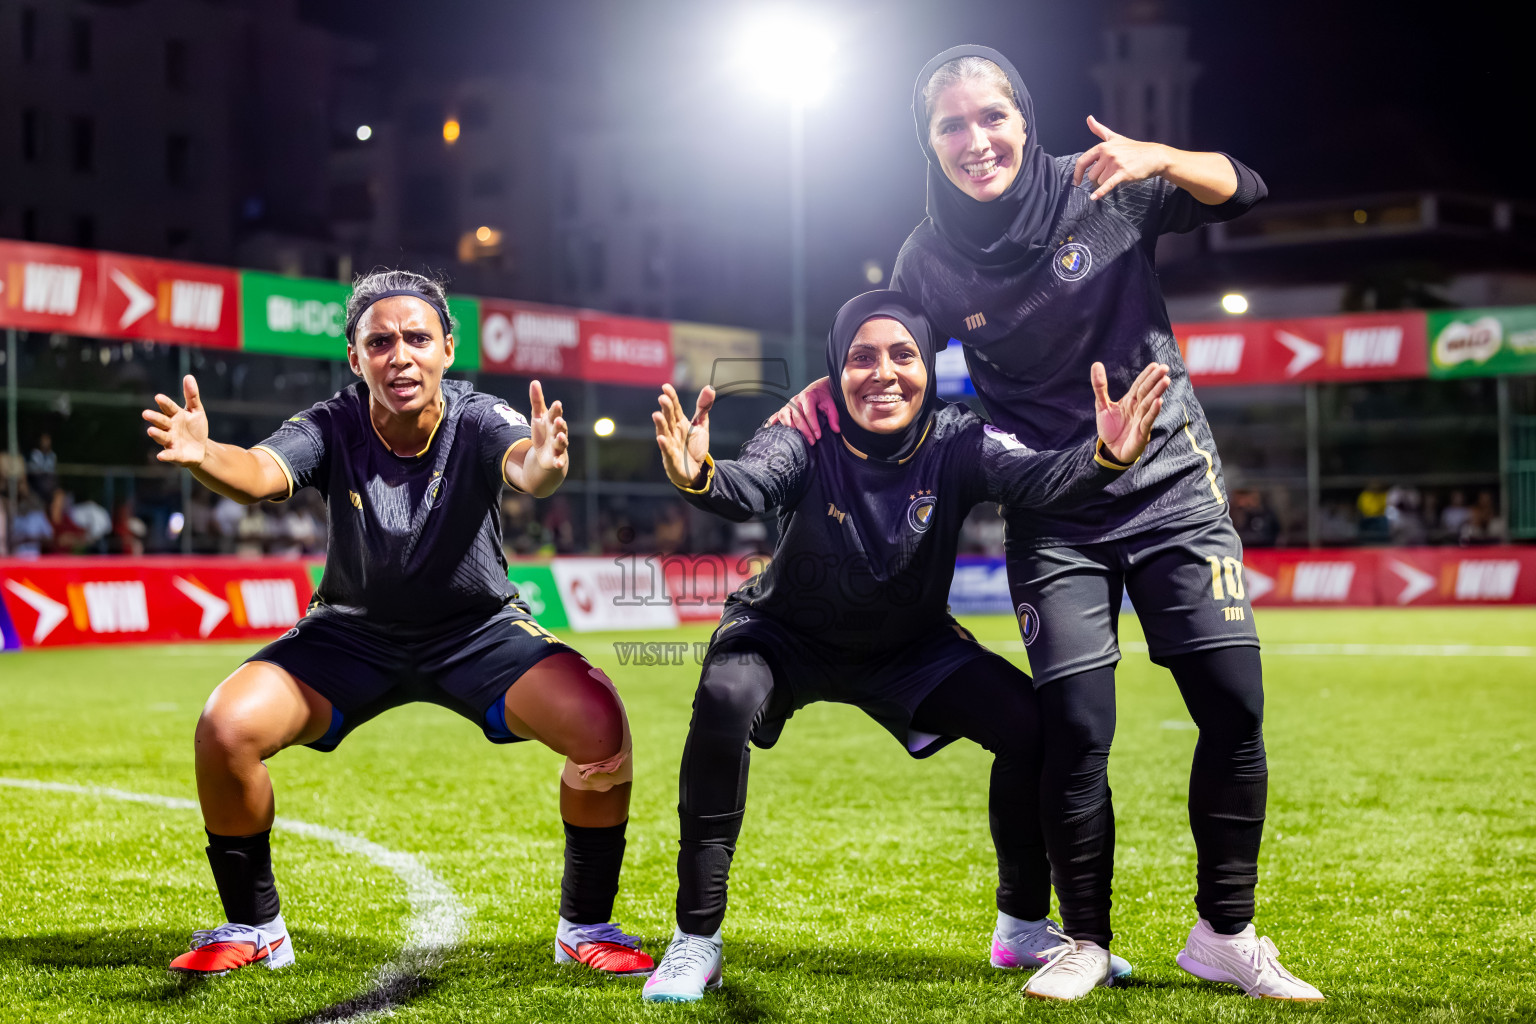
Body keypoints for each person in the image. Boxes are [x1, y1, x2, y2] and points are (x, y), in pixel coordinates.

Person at [772, 46, 1322, 1001]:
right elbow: (892, 354)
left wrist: (1162, 156)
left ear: (1025, 119)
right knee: (1074, 724)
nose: (975, 139)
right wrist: (828, 386)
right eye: (951, 125)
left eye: (992, 117)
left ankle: (1226, 935)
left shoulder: (1103, 185)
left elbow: (1246, 188)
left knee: (1232, 708)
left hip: (1171, 490)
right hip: (1053, 510)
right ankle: (1086, 939)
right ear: (929, 143)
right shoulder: (926, 257)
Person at [641, 290, 1169, 1003]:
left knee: (1032, 726)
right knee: (724, 698)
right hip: (785, 633)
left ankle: (1020, 925)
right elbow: (754, 482)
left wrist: (1103, 456)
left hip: (905, 646)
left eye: (902, 355)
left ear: (927, 365)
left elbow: (1037, 478)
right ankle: (694, 940)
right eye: (862, 356)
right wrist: (700, 475)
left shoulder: (958, 436)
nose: (882, 373)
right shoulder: (808, 419)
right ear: (837, 365)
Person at [140, 270, 653, 979]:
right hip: (350, 636)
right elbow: (259, 472)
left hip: (475, 633)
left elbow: (526, 465)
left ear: (447, 347)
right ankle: (253, 927)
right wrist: (206, 458)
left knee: (600, 722)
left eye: (417, 338)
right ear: (356, 358)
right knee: (226, 726)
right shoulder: (333, 422)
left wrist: (542, 464)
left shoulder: (476, 417)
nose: (399, 355)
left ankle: (586, 926)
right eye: (379, 342)